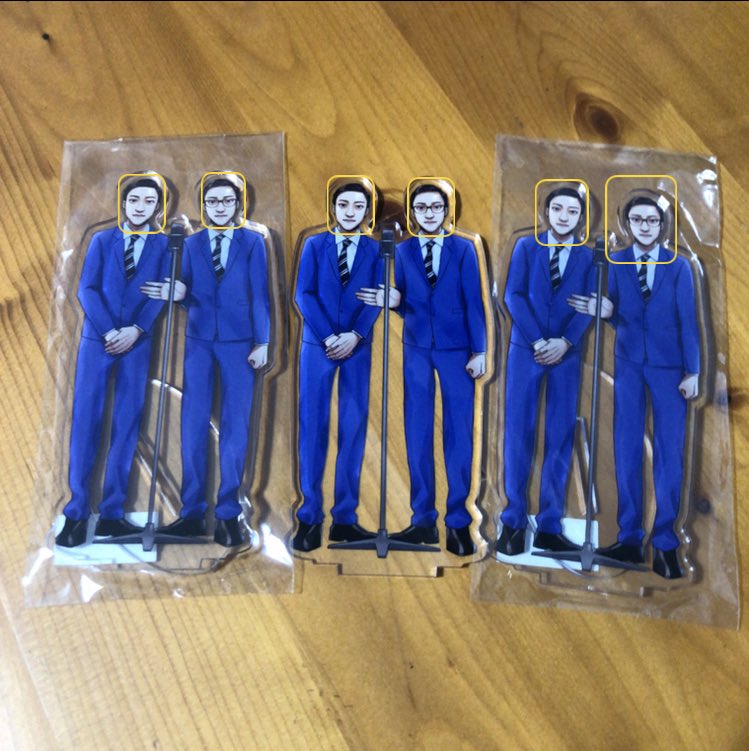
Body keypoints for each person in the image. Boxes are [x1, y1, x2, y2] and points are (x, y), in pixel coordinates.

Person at [568, 195, 700, 578]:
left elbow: (689, 321)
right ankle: (629, 539)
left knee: (669, 454)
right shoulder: (616, 261)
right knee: (626, 448)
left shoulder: (679, 266)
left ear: (662, 225)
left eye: (652, 220)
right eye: (638, 220)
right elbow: (614, 311)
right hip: (627, 365)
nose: (645, 226)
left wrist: (693, 371)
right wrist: (608, 313)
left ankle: (666, 545)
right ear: (627, 224)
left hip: (670, 369)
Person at [142, 172, 270, 547]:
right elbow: (183, 289)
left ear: (238, 205)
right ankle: (192, 512)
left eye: (227, 201)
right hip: (199, 342)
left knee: (235, 427)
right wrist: (178, 293)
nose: (219, 207)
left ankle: (229, 513)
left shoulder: (253, 242)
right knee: (192, 423)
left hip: (240, 343)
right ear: (204, 206)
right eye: (212, 201)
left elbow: (261, 295)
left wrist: (264, 341)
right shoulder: (191, 243)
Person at [358, 180, 486, 556]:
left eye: (435, 207)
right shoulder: (404, 250)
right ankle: (423, 520)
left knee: (458, 433)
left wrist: (480, 349)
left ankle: (458, 522)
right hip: (416, 347)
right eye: (421, 208)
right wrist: (394, 300)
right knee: (417, 431)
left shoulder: (464, 249)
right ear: (412, 214)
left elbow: (475, 301)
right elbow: (405, 299)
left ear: (447, 212)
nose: (429, 214)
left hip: (457, 349)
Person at [55, 173, 170, 548]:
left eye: (149, 201)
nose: (140, 207)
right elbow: (86, 289)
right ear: (123, 203)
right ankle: (76, 513)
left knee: (127, 423)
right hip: (97, 342)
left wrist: (137, 329)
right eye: (134, 200)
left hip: (137, 345)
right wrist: (109, 331)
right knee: (86, 421)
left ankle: (112, 514)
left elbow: (160, 294)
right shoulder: (103, 240)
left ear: (158, 207)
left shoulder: (165, 245)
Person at [496, 186, 595, 557]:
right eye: (557, 209)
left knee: (559, 436)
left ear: (581, 218)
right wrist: (539, 341)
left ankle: (550, 526)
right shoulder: (527, 247)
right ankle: (513, 522)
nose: (564, 217)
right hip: (526, 351)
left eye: (572, 211)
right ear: (546, 212)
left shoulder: (588, 257)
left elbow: (588, 305)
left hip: (567, 357)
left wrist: (566, 342)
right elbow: (513, 295)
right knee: (518, 434)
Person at [291, 179, 383, 552]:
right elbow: (303, 293)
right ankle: (309, 516)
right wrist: (330, 336)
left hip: (358, 348)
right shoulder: (315, 245)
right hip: (318, 345)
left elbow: (377, 296)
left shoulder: (376, 250)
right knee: (313, 425)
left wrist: (356, 335)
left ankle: (345, 518)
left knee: (353, 426)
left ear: (367, 212)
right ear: (333, 208)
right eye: (343, 205)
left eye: (358, 206)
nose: (349, 212)